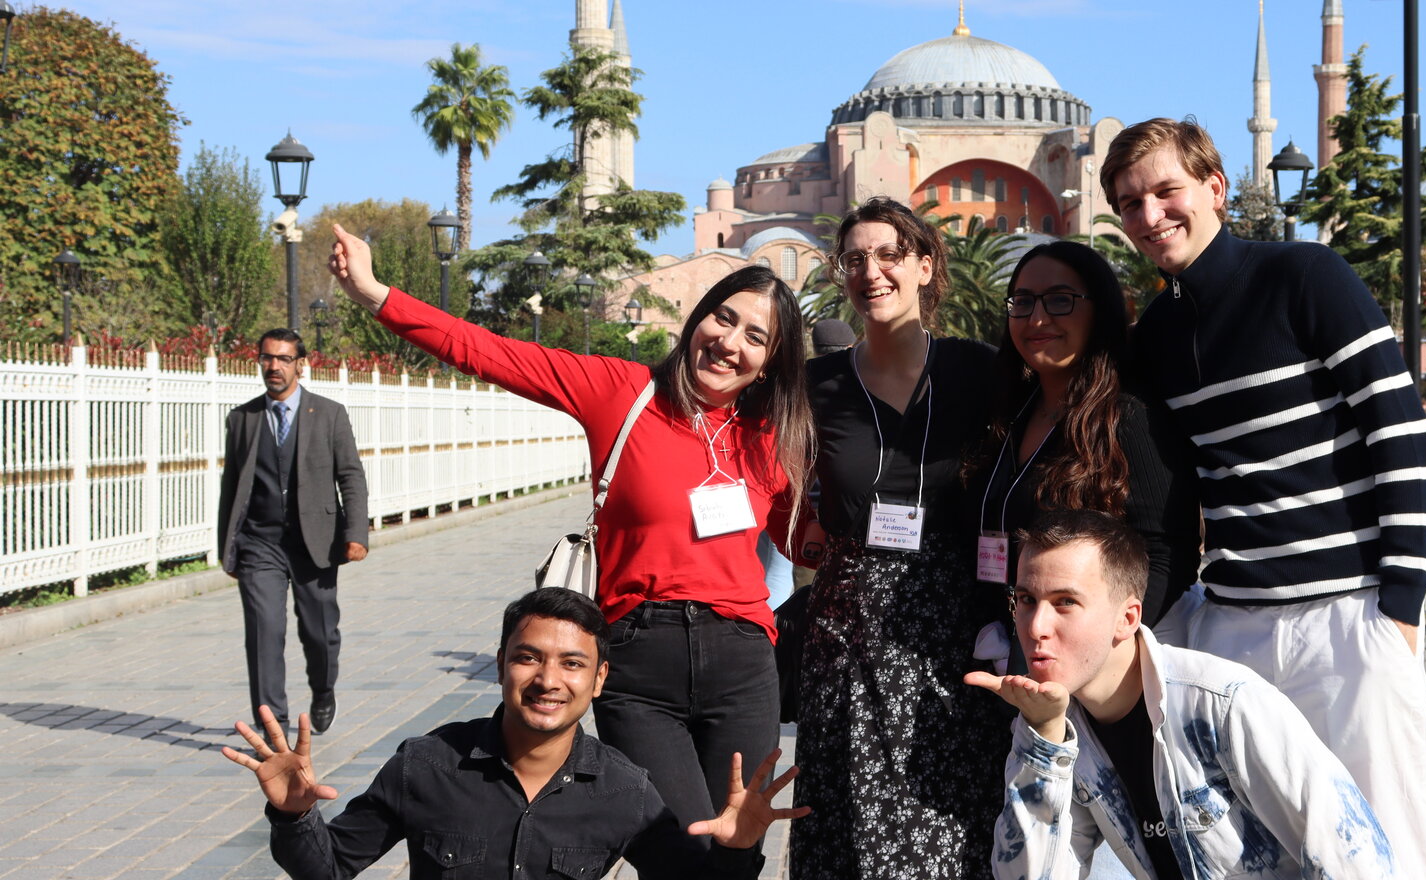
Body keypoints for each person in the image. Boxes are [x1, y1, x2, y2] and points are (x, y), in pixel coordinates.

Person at [326, 227, 812, 873]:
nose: (729, 342)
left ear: (771, 362)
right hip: (641, 668)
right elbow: (489, 351)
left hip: (744, 665)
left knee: (740, 849)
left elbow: (806, 543)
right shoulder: (623, 392)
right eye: (723, 318)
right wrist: (375, 294)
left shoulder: (771, 434)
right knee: (680, 856)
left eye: (756, 337)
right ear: (699, 317)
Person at [1100, 117, 1426, 878]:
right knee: (1243, 851)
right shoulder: (1157, 334)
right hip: (1233, 623)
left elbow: (1404, 439)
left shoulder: (1303, 277)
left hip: (1347, 617)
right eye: (1129, 203)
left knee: (1382, 849)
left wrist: (1400, 609)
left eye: (1166, 191)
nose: (1150, 216)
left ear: (1215, 189)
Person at [221, 588, 808, 879]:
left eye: (572, 664)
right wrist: (295, 816)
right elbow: (327, 868)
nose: (548, 680)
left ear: (600, 679)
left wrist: (736, 851)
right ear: (501, 662)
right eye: (529, 658)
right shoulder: (425, 764)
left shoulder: (624, 789)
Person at [966, 510, 1396, 879]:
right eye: (1025, 598)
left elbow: (1355, 857)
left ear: (1127, 618)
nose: (1035, 626)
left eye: (1064, 603)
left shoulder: (1224, 704)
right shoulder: (1057, 723)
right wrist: (1042, 741)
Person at [794, 197, 1012, 879]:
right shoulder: (817, 383)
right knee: (847, 816)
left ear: (924, 266)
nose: (871, 272)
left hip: (956, 622)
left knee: (954, 814)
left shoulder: (979, 370)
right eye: (855, 259)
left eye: (889, 255)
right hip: (850, 628)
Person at [965, 240, 1198, 633]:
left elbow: (1167, 554)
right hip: (1006, 651)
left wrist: (1110, 650)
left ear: (1100, 312)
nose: (1037, 319)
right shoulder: (1009, 412)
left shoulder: (1127, 417)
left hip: (1087, 665)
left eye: (1060, 301)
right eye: (1022, 302)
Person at [218, 328, 368, 735]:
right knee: (264, 632)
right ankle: (274, 726)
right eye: (268, 358)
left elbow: (350, 475)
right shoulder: (243, 418)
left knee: (319, 632)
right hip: (258, 543)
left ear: (301, 364)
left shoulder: (330, 414)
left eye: (284, 359)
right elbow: (231, 487)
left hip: (315, 541)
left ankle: (323, 689)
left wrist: (356, 532)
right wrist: (227, 548)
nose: (274, 367)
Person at [757, 319, 859, 607]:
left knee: (774, 570)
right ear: (851, 347)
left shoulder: (796, 386)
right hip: (821, 511)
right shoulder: (856, 391)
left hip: (776, 493)